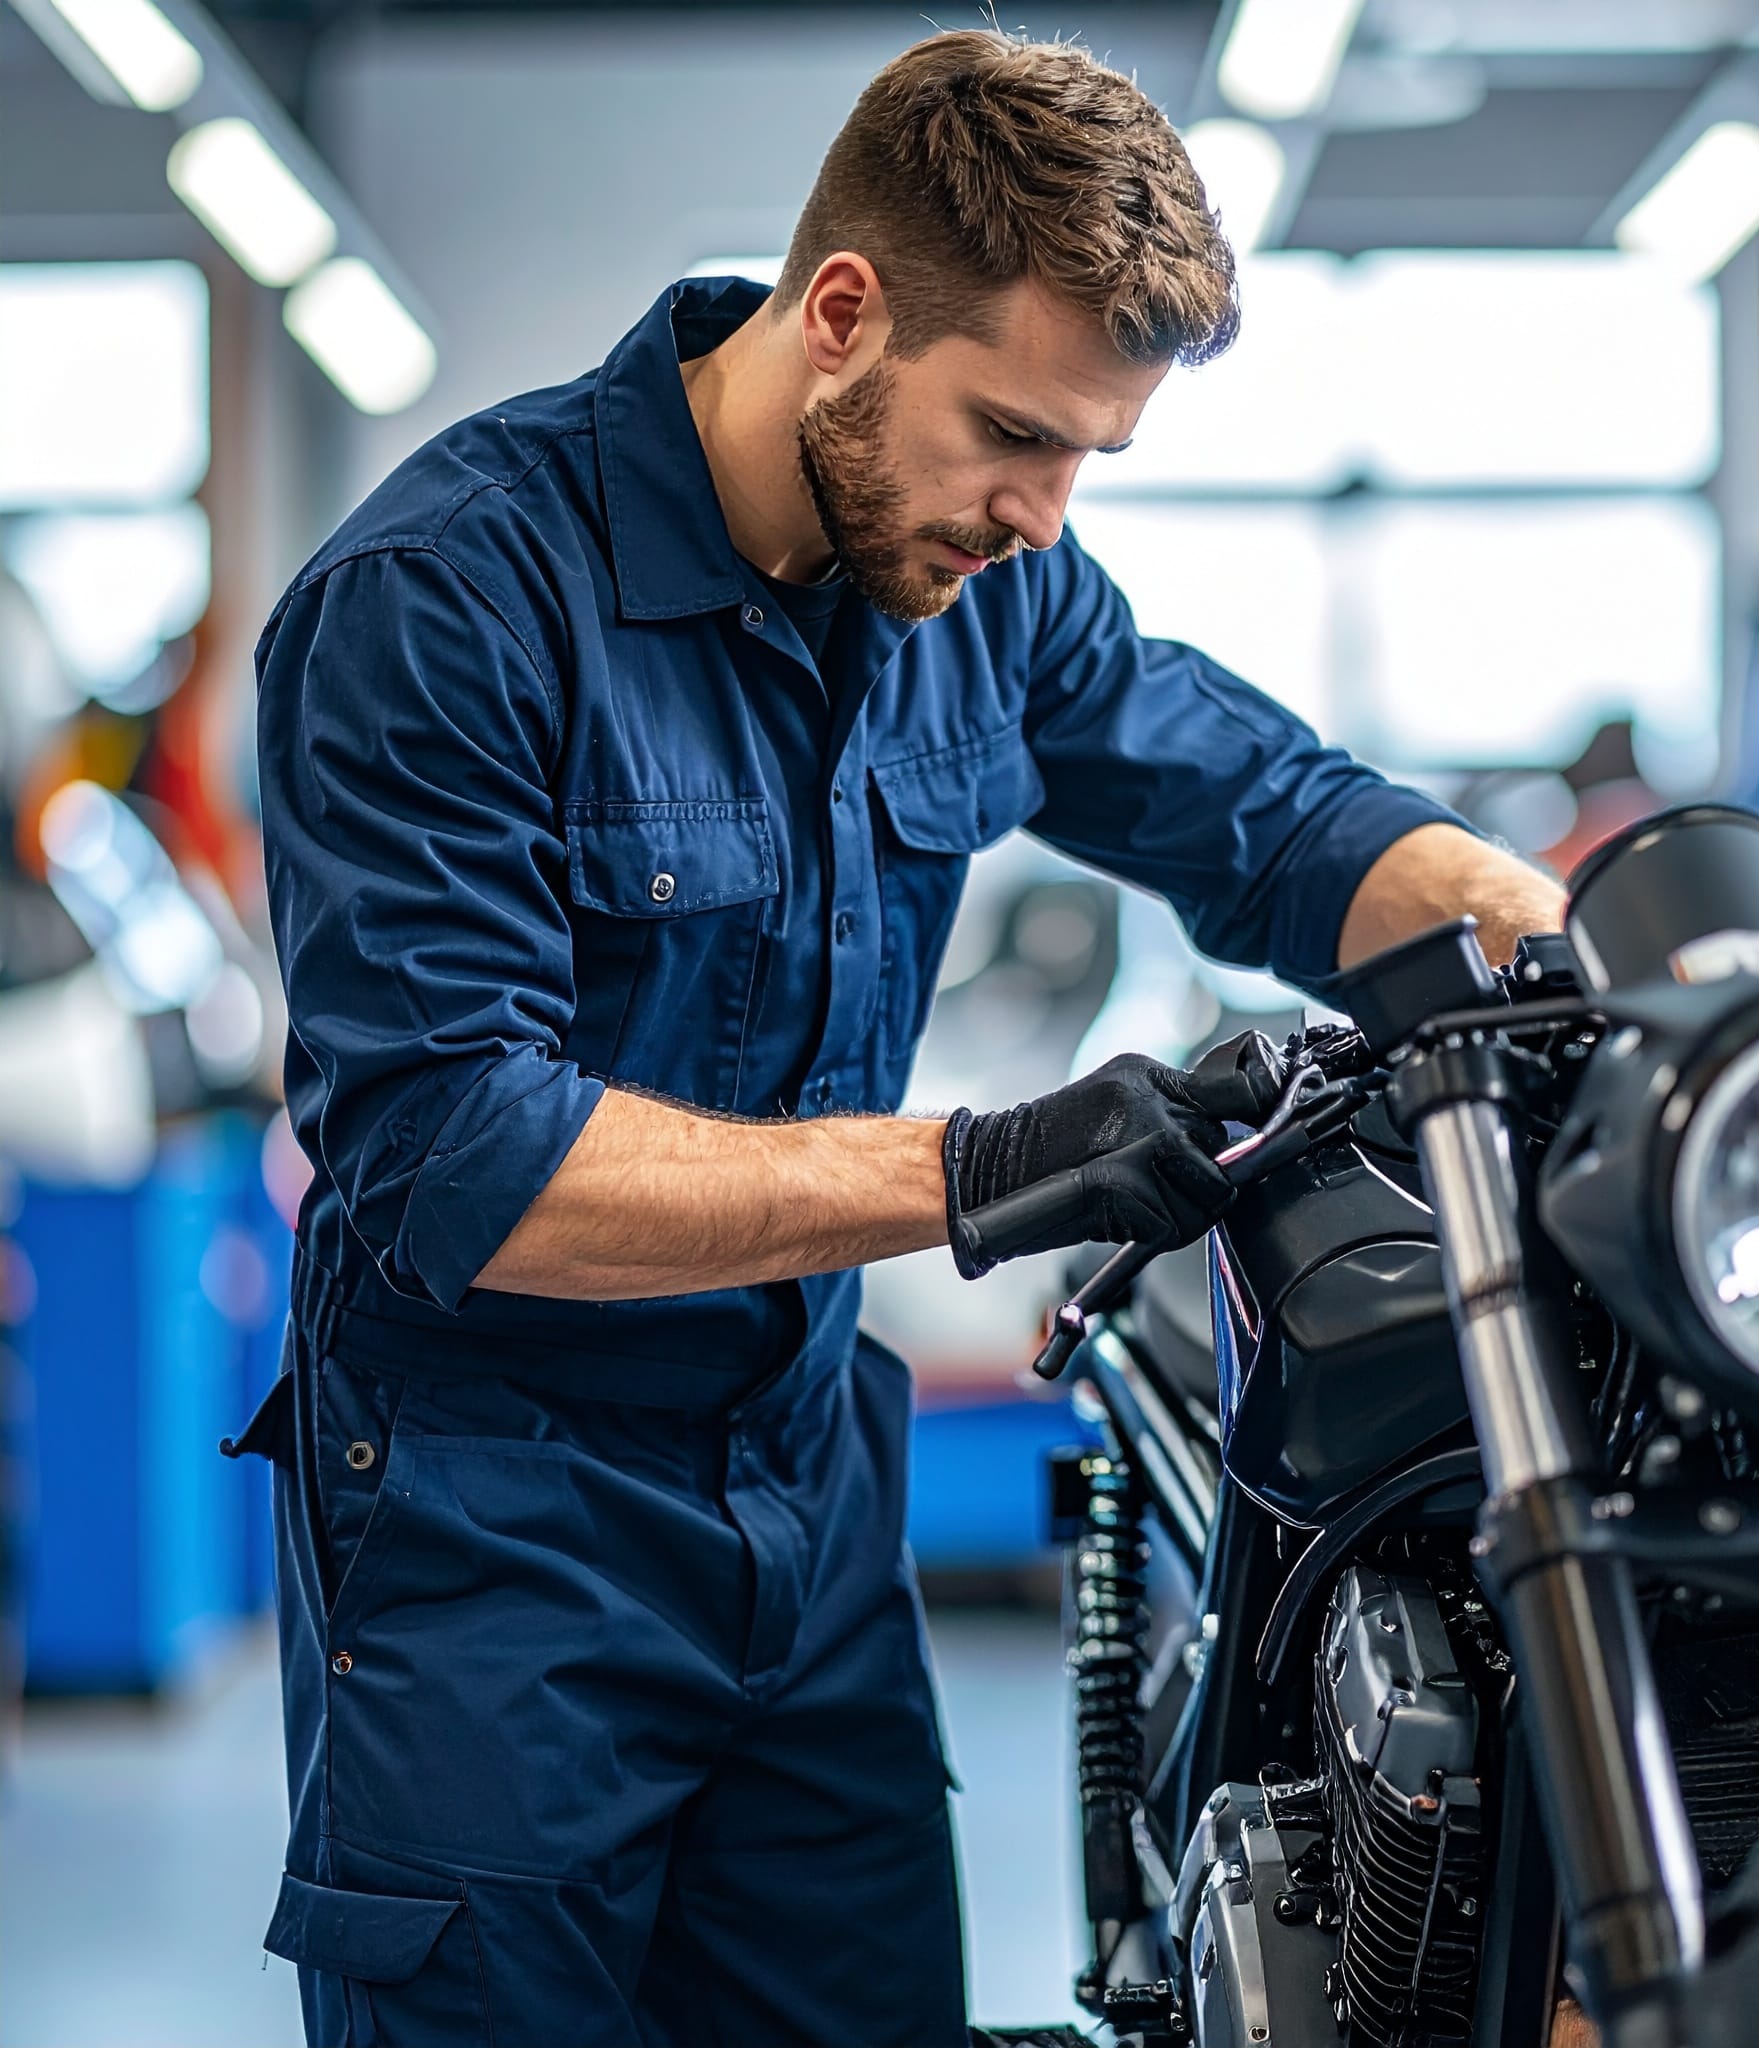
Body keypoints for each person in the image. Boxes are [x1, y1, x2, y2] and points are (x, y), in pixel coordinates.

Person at [238, 28, 1563, 2047]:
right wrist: (986, 1165)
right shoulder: (446, 601)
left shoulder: (977, 585)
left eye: (1084, 465)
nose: (1041, 517)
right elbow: (453, 1160)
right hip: (493, 1533)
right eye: (1014, 436)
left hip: (802, 1504)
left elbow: (1275, 821)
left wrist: (1561, 942)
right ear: (840, 314)